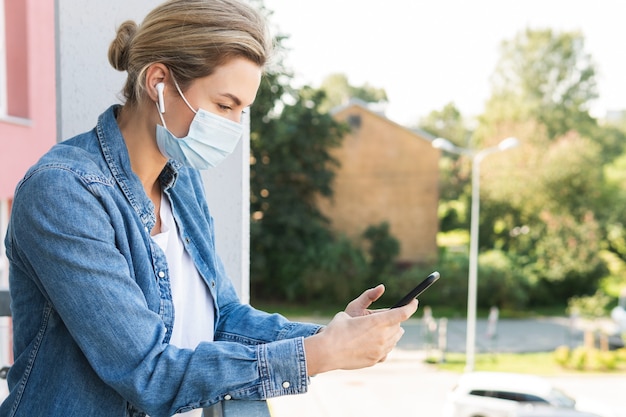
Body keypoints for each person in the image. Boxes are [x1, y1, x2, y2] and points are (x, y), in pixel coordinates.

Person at [1, 1, 418, 416]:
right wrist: (317, 355)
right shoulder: (64, 192)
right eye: (224, 105)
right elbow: (146, 372)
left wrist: (333, 335)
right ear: (158, 81)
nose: (233, 127)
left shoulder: (181, 181)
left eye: (242, 111)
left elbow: (224, 317)